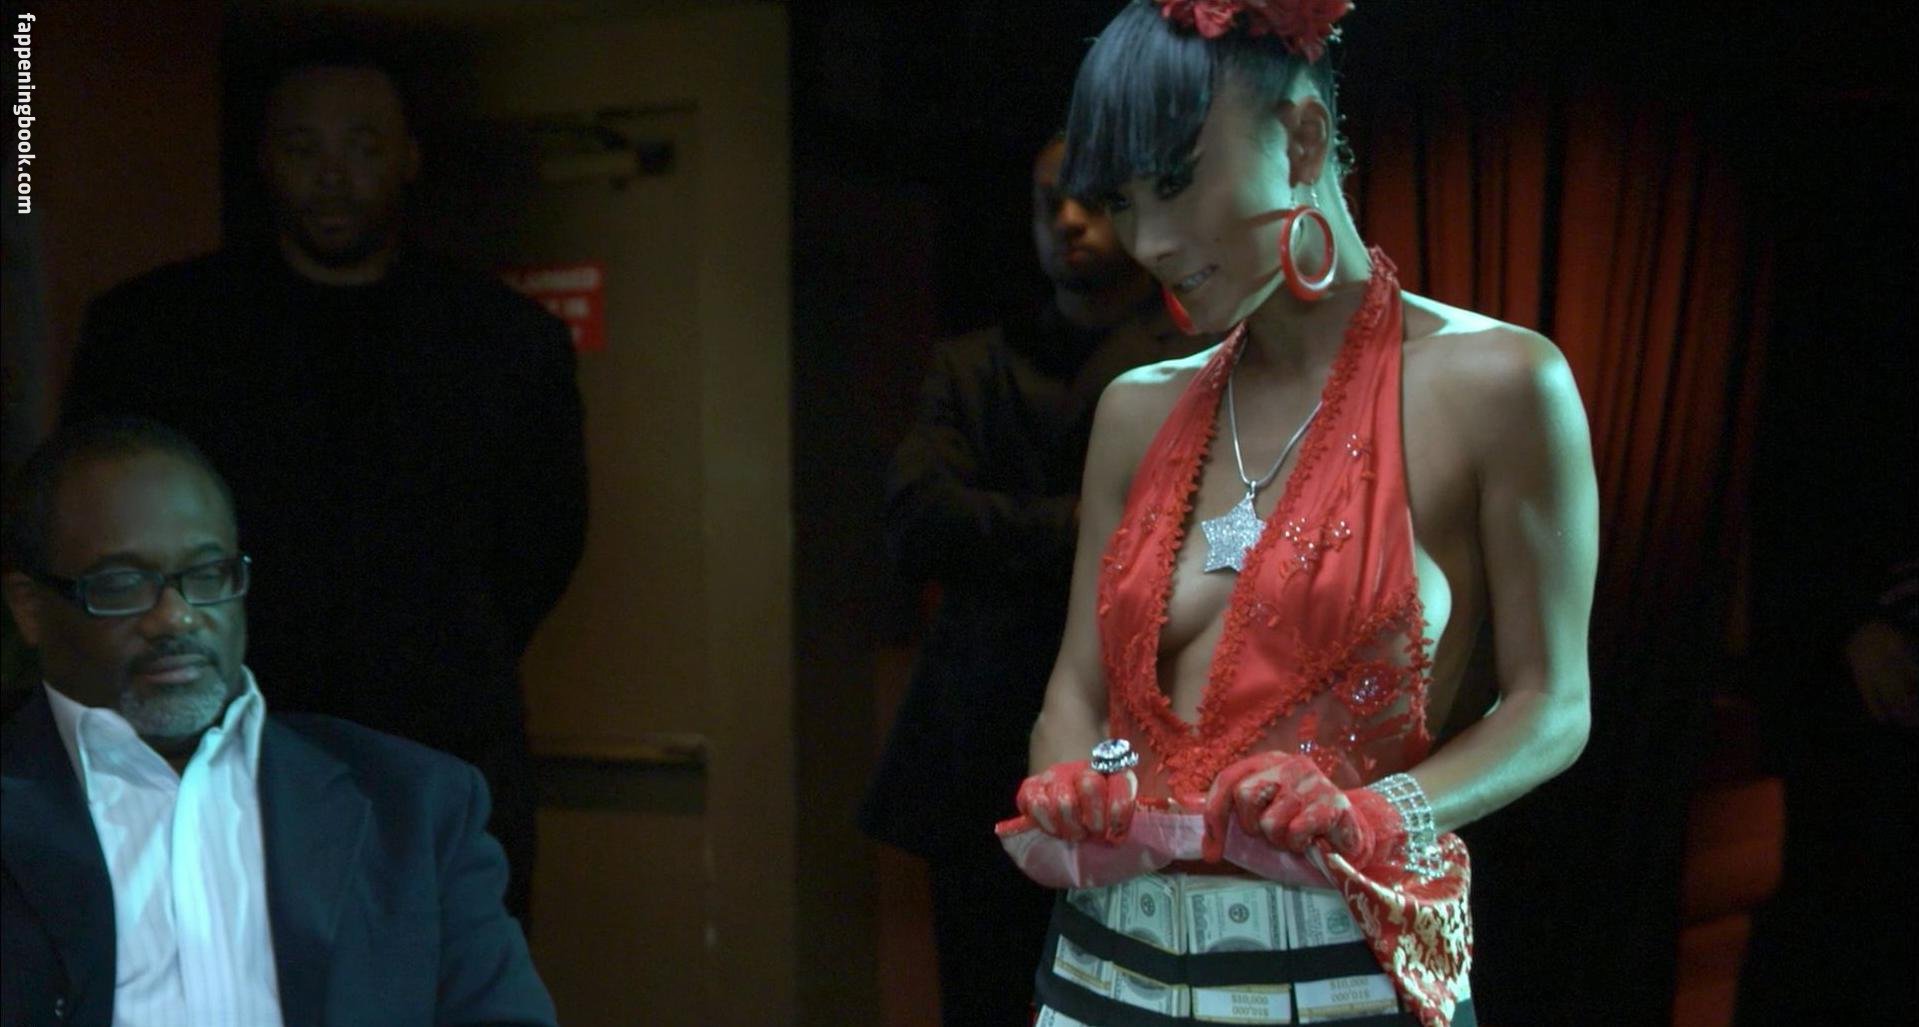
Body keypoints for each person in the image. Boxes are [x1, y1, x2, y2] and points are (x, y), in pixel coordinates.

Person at [1009, 3, 1599, 1025]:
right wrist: (1064, 782)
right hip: (1098, 971)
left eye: (1174, 182)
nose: (1148, 241)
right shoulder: (1134, 410)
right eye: (1121, 200)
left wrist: (1375, 810)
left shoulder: (1497, 386)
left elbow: (1552, 703)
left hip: (1340, 980)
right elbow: (1075, 685)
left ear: (1301, 140)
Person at [60, 49, 587, 922]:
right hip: (210, 741)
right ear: (266, 159)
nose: (333, 176)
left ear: (408, 157)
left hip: (437, 735)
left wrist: (446, 643)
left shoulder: (500, 341)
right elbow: (89, 524)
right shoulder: (162, 332)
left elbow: (543, 538)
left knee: (440, 967)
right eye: (304, 148)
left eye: (362, 145)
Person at [0, 416, 557, 1027]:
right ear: (30, 610)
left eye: (207, 575)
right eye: (124, 584)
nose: (177, 618)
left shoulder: (415, 808)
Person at [860, 134, 1208, 1025]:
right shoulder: (974, 361)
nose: (1066, 220)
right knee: (980, 994)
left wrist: (1006, 528)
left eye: (1089, 199)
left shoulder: (1198, 360)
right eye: (1047, 202)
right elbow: (915, 519)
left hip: (1131, 734)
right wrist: (1089, 526)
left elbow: (1187, 537)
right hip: (977, 738)